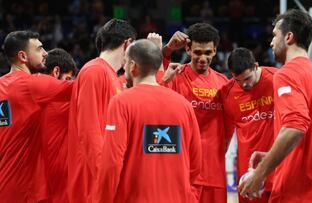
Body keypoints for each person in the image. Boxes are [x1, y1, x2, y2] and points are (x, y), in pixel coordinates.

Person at [239, 9, 312, 203]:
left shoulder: (287, 74)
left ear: (288, 37)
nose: (271, 42)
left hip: (301, 193)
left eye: (274, 36)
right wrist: (273, 155)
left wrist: (260, 174)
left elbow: (295, 127)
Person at [94, 39, 202, 203]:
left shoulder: (121, 102)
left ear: (132, 66)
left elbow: (112, 163)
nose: (123, 68)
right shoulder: (185, 106)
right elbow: (196, 163)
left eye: (125, 63)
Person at [67, 19, 137, 202]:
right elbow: (89, 131)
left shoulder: (111, 75)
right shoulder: (94, 71)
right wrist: (105, 179)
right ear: (127, 43)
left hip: (104, 179)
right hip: (93, 183)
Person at [0, 30, 73, 202]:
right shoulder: (31, 84)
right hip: (25, 191)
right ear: (23, 56)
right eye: (39, 49)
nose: (45, 53)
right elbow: (85, 87)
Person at [162, 23, 229, 202]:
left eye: (208, 52)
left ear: (215, 51)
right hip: (184, 172)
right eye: (197, 52)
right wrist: (167, 50)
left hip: (215, 174)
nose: (202, 58)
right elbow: (154, 85)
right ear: (188, 49)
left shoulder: (224, 83)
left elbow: (229, 128)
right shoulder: (175, 75)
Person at [219, 47, 277, 203]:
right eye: (238, 80)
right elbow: (224, 134)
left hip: (278, 165)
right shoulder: (227, 92)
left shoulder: (277, 79)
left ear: (256, 66)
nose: (244, 84)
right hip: (248, 170)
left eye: (248, 78)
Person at [40, 48, 77, 202]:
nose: (70, 84)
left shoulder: (21, 96)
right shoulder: (64, 101)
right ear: (56, 72)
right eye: (68, 79)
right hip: (61, 188)